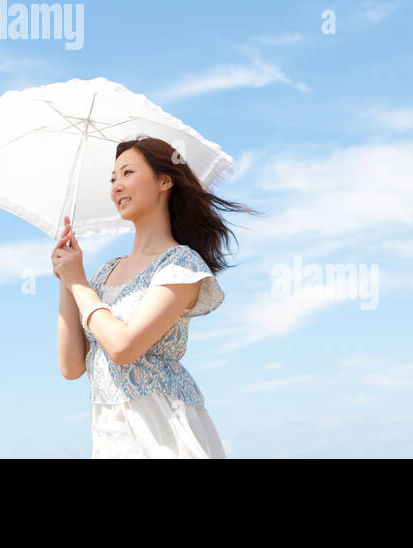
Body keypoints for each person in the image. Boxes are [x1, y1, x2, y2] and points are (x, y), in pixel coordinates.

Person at [51, 136, 259, 458]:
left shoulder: (180, 264)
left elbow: (123, 347)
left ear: (164, 180)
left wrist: (79, 283)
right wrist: (67, 281)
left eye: (128, 173)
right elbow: (71, 366)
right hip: (111, 436)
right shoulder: (105, 272)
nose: (117, 186)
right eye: (113, 178)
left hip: (164, 431)